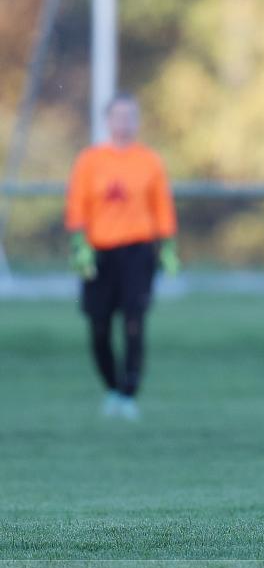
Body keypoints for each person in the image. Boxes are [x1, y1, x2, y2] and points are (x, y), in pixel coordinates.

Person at [64, 93, 179, 421]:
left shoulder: (149, 161)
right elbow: (77, 205)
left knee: (134, 321)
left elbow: (161, 206)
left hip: (138, 252)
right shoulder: (90, 160)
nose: (124, 122)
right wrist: (79, 244)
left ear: (137, 121)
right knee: (99, 326)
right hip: (100, 252)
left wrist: (168, 246)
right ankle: (112, 387)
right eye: (118, 116)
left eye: (130, 116)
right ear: (108, 120)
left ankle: (130, 391)